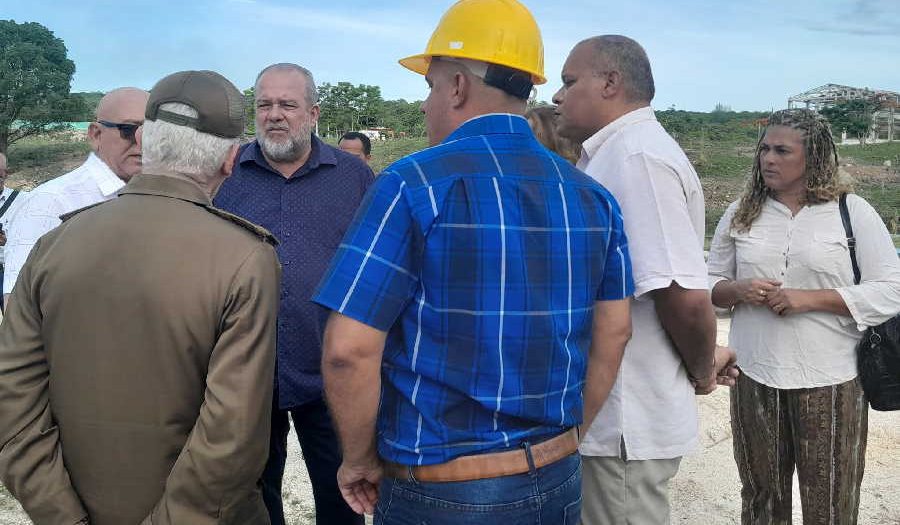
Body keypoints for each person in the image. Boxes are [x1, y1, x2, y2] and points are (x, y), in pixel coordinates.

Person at [313, 1, 635, 523]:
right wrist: (569, 439)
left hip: (442, 493)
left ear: (458, 86)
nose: (425, 106)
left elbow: (348, 349)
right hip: (556, 478)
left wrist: (357, 458)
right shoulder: (592, 196)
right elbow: (615, 332)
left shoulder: (411, 185)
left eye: (431, 87)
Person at [0, 70, 280, 524]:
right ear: (231, 159)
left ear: (147, 142)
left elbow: (14, 401)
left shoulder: (57, 242)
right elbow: (233, 433)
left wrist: (62, 515)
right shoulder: (245, 257)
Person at [553, 35, 737, 525]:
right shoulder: (613, 155)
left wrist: (702, 372)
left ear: (610, 82)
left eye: (569, 81)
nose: (557, 95)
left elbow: (681, 296)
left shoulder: (637, 159)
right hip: (613, 413)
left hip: (626, 419)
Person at [707, 108, 900, 524]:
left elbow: (892, 290)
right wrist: (736, 290)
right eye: (764, 150)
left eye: (781, 150)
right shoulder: (743, 212)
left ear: (813, 158)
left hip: (831, 379)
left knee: (831, 504)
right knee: (761, 499)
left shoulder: (852, 212)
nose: (768, 159)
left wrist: (808, 300)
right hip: (753, 375)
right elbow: (707, 282)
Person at [213, 62, 374, 525]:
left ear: (314, 113)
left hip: (331, 370)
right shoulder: (227, 175)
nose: (275, 114)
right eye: (264, 104)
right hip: (244, 368)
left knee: (342, 493)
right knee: (253, 497)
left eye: (288, 104)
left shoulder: (354, 178)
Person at [3, 87, 149, 306]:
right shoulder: (50, 202)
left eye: (153, 133)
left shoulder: (155, 201)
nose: (143, 141)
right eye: (129, 130)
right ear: (95, 134)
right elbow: (18, 306)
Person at [0, 152, 28, 309]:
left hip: (12, 271)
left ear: (6, 173)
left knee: (14, 322)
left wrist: (7, 241)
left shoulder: (23, 200)